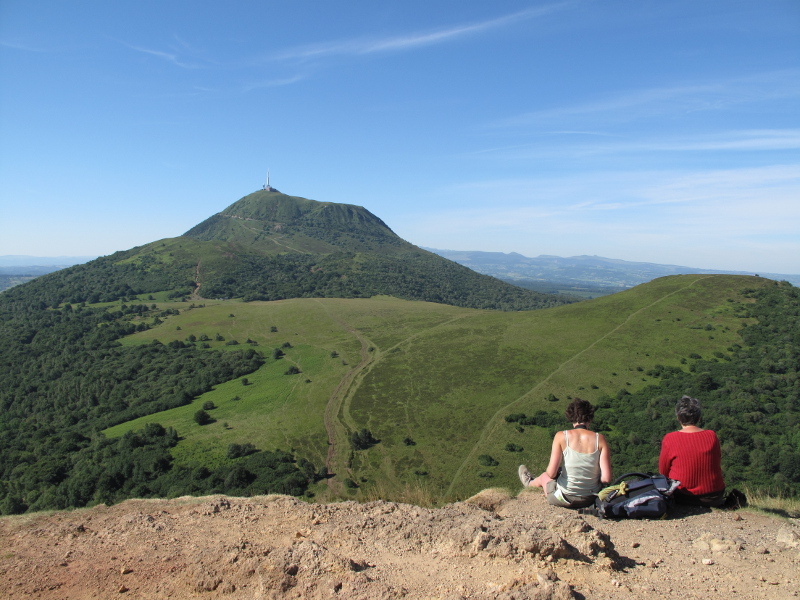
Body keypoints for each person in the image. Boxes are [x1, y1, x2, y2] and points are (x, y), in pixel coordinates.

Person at [518, 398, 612, 508]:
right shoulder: (600, 439)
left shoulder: (561, 436)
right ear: (590, 419)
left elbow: (551, 473)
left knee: (544, 477)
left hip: (564, 498)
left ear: (571, 417)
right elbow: (606, 479)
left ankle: (529, 483)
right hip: (591, 499)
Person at [658, 395, 727, 507]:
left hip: (682, 497)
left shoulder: (670, 438)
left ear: (678, 418)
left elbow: (663, 472)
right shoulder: (712, 436)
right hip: (714, 496)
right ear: (699, 418)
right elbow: (717, 461)